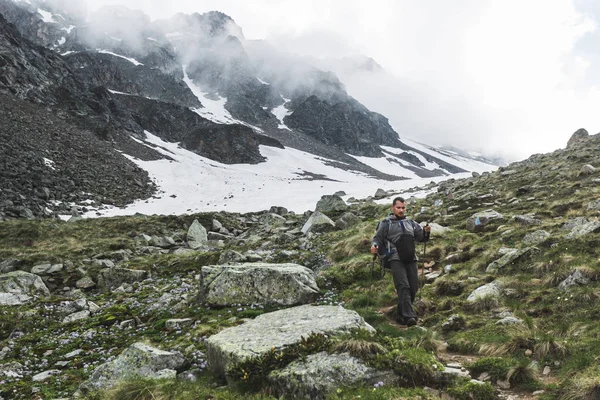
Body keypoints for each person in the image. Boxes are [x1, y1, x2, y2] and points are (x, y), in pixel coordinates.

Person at [371, 197, 430, 326]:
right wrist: (374, 246)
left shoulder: (411, 223)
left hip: (411, 257)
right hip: (395, 257)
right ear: (393, 208)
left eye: (403, 208)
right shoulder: (385, 223)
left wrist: (426, 232)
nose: (401, 210)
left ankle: (400, 313)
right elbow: (377, 238)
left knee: (413, 287)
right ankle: (409, 317)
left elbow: (421, 238)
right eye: (399, 208)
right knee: (403, 286)